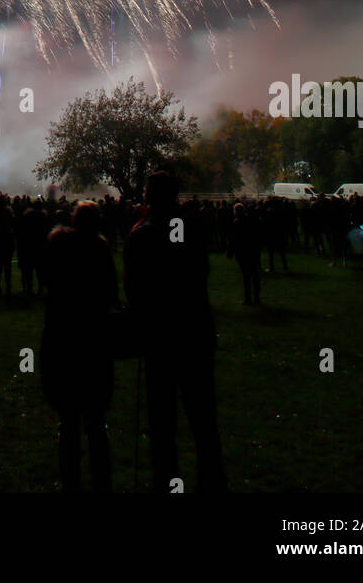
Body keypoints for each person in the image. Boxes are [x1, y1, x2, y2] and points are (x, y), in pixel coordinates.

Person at [125, 169, 227, 494]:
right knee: (203, 420)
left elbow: (135, 291)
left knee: (162, 423)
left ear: (148, 195)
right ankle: (212, 482)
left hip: (160, 338)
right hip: (194, 331)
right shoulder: (191, 228)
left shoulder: (142, 234)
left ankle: (168, 484)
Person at [41, 201, 118, 492]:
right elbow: (110, 291)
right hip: (94, 340)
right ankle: (102, 481)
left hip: (62, 338)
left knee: (68, 420)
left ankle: (69, 481)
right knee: (97, 421)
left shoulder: (58, 244)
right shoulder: (100, 248)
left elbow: (46, 278)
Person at [228, 201, 262, 305]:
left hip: (242, 252)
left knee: (246, 277)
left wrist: (230, 251)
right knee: (255, 275)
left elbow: (234, 239)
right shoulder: (251, 220)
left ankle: (248, 298)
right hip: (253, 251)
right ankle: (256, 298)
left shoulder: (237, 222)